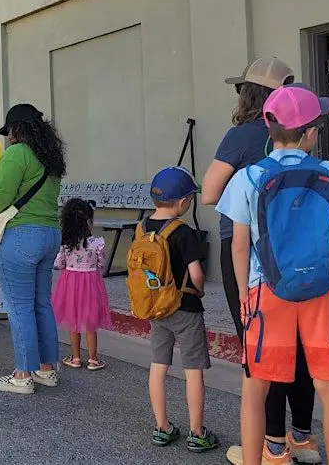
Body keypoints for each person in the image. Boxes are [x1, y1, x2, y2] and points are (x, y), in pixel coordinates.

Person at [216, 85, 329, 465]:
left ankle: (260, 458)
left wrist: (246, 292)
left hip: (267, 291)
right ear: (311, 132)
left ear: (268, 126)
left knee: (256, 389)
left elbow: (239, 244)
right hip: (321, 293)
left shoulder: (249, 177)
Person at [200, 59, 320, 463]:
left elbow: (210, 192)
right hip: (299, 248)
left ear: (248, 94)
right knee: (303, 345)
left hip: (248, 250)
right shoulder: (302, 138)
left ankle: (271, 447)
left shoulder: (241, 136)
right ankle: (302, 438)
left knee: (263, 346)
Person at [0, 103, 64, 394]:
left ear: (16, 130)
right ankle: (47, 370)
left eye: (9, 132)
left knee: (19, 307)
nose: (7, 137)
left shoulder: (17, 154)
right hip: (49, 234)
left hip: (21, 235)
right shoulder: (51, 158)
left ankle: (22, 376)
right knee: (41, 303)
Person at [136, 167, 219, 453]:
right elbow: (196, 274)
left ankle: (163, 427)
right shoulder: (183, 232)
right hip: (185, 308)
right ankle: (197, 432)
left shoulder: (142, 227)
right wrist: (199, 290)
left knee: (158, 366)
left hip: (157, 309)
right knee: (193, 369)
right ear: (183, 202)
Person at [52, 198, 111, 371]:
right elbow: (101, 264)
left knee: (73, 320)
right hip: (91, 283)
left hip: (70, 283)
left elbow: (58, 264)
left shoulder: (66, 243)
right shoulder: (97, 243)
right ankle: (93, 359)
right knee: (90, 322)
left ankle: (75, 358)